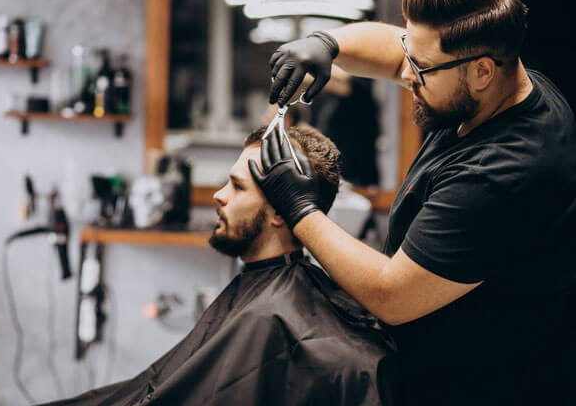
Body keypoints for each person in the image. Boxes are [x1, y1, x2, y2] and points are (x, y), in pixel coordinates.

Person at [250, 0, 576, 404]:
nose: (405, 75)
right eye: (410, 53)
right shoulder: (496, 83)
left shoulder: (501, 174)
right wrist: (327, 42)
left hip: (481, 389)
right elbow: (397, 52)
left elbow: (392, 295)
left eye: (420, 68)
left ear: (481, 72)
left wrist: (300, 208)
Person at [41, 125, 396, 406]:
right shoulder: (269, 300)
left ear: (280, 211)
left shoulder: (276, 317)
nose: (218, 195)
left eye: (237, 187)